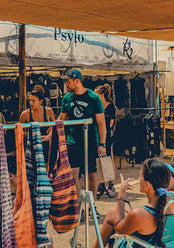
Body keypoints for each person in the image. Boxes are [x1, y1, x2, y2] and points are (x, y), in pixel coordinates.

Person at [74, 158, 171, 248]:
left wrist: (121, 196)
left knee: (112, 223)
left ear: (148, 184)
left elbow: (119, 228)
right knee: (113, 213)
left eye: (140, 176)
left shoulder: (139, 214)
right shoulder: (171, 203)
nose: (138, 178)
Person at [58, 69, 106, 216]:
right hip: (73, 142)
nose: (66, 84)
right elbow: (61, 119)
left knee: (91, 175)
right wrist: (50, 133)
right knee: (73, 174)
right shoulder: (66, 98)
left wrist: (102, 144)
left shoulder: (93, 97)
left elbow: (101, 123)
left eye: (68, 81)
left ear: (77, 80)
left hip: (90, 141)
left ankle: (92, 205)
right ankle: (80, 204)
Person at [19, 85, 56, 159]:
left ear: (40, 101)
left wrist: (50, 131)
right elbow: (19, 133)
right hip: (31, 146)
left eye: (33, 101)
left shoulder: (48, 111)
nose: (31, 103)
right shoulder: (25, 114)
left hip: (45, 146)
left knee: (46, 168)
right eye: (30, 100)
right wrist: (32, 135)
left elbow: (55, 126)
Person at [95, 83, 117, 193]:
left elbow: (111, 123)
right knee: (100, 159)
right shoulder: (97, 106)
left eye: (97, 95)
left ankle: (111, 183)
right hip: (98, 135)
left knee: (108, 158)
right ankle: (102, 182)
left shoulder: (110, 106)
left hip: (107, 135)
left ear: (102, 95)